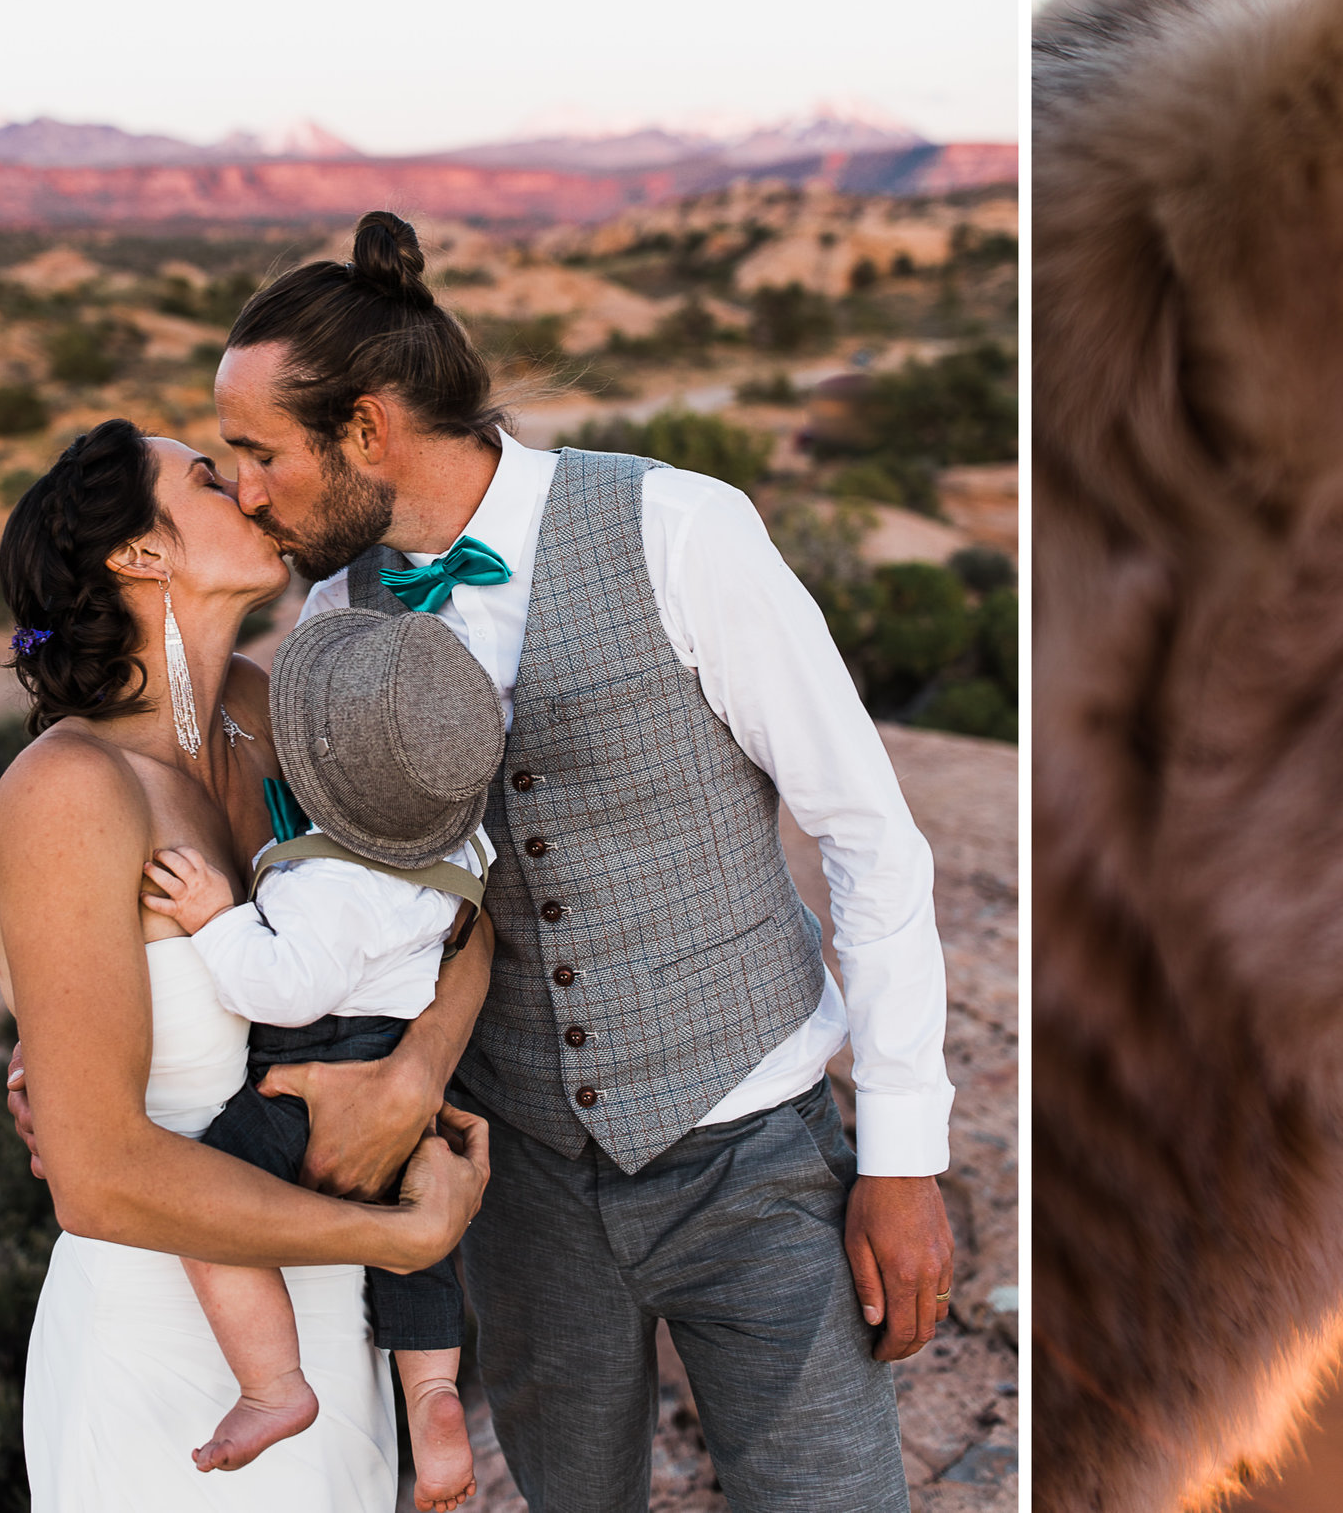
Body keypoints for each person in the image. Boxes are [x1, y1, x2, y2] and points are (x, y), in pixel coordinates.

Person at [214, 209, 955, 1510]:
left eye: (259, 452)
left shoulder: (680, 527)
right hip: (521, 1181)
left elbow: (867, 831)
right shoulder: (337, 620)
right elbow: (332, 896)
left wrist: (901, 1154)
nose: (246, 489)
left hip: (755, 1155)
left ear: (370, 426)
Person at [0, 417, 489, 1513]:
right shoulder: (69, 792)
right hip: (170, 1350)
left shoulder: (275, 712)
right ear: (142, 554)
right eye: (212, 482)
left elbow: (455, 908)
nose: (254, 494)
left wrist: (412, 1079)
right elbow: (98, 1173)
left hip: (334, 1317)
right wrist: (405, 1233)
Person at [139, 606, 507, 1508]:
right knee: (411, 1244)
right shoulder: (458, 851)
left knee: (201, 1201)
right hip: (399, 1062)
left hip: (305, 1075)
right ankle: (430, 1393)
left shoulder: (330, 885)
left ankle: (273, 1382)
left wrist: (217, 919)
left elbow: (281, 990)